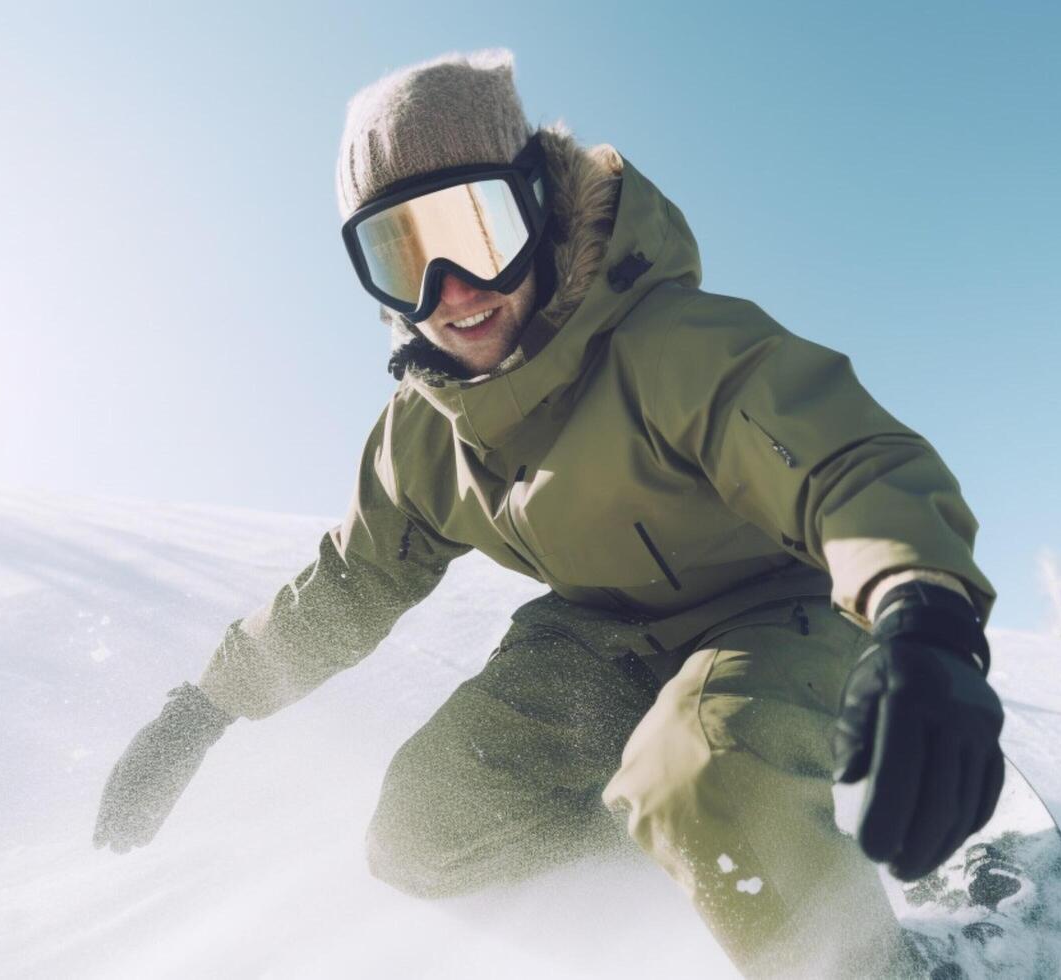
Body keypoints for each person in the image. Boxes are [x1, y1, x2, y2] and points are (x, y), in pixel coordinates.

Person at [94, 48, 1006, 978]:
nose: (450, 290)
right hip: (601, 642)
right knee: (421, 830)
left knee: (701, 780)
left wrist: (923, 614)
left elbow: (842, 464)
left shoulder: (668, 346)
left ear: (540, 205)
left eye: (474, 227)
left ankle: (884, 961)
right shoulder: (424, 437)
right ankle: (715, 851)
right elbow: (352, 580)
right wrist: (205, 707)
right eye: (401, 253)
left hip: (783, 609)